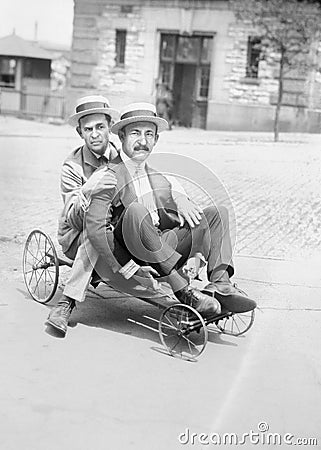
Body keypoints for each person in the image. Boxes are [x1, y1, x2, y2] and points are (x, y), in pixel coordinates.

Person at [84, 103, 257, 317]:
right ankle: (183, 291)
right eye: (135, 133)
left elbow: (180, 217)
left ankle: (221, 284)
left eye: (149, 134)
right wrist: (129, 268)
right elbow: (96, 230)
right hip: (131, 253)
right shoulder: (107, 176)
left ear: (156, 140)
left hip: (162, 245)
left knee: (217, 213)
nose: (143, 141)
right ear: (121, 136)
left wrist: (196, 253)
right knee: (137, 210)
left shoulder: (160, 178)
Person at [46, 95, 119, 335]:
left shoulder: (121, 158)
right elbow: (73, 217)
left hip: (111, 231)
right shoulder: (72, 167)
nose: (95, 134)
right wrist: (92, 188)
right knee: (94, 229)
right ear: (80, 133)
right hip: (77, 236)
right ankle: (67, 302)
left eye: (100, 127)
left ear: (110, 128)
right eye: (88, 129)